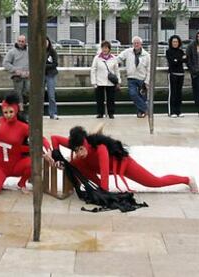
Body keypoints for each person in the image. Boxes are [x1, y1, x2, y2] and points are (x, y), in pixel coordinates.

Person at [50, 126, 197, 193]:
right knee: (75, 163)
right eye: (76, 150)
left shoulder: (100, 149)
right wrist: (58, 156)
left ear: (85, 144)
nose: (79, 152)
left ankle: (186, 179)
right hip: (93, 168)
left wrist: (104, 191)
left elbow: (105, 173)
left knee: (154, 182)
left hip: (121, 166)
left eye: (81, 149)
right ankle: (89, 187)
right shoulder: (76, 146)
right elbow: (54, 138)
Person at [0, 92, 50, 195]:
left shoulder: (23, 127)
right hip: (0, 166)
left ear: (16, 110)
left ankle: (21, 183)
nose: (8, 115)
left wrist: (48, 150)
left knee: (33, 163)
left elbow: (40, 138)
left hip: (16, 165)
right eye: (5, 112)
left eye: (11, 112)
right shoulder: (0, 122)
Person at [117, 36, 150, 118]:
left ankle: (140, 113)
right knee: (133, 94)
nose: (136, 44)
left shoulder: (146, 55)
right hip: (131, 78)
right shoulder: (128, 52)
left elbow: (149, 69)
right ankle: (145, 109)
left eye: (138, 43)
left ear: (141, 44)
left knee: (142, 97)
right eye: (134, 43)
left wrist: (147, 81)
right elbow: (119, 58)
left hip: (142, 79)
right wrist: (113, 63)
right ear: (132, 44)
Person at [91, 40, 121, 119]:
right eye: (103, 48)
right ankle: (100, 113)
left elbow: (117, 70)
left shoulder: (114, 58)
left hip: (110, 82)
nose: (105, 49)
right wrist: (94, 82)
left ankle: (111, 113)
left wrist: (118, 81)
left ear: (109, 49)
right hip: (99, 81)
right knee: (99, 99)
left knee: (111, 99)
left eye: (106, 48)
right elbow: (93, 70)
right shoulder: (97, 58)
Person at [3, 35, 29, 111]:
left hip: (28, 76)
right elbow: (5, 63)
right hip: (17, 76)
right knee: (18, 93)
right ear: (17, 41)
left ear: (25, 42)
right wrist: (15, 70)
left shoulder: (29, 51)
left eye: (22, 41)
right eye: (19, 41)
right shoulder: (12, 52)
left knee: (27, 91)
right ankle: (21, 110)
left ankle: (24, 106)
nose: (21, 43)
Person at [166, 35, 186, 118]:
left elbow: (185, 59)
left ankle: (178, 111)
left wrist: (178, 59)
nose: (175, 43)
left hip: (181, 74)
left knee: (179, 93)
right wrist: (179, 59)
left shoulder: (181, 51)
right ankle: (172, 111)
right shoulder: (168, 51)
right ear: (171, 42)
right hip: (172, 74)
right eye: (173, 42)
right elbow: (172, 62)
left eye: (176, 42)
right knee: (173, 93)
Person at [185, 31, 199, 115]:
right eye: (198, 36)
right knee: (196, 91)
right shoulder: (191, 46)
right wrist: (193, 69)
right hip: (195, 73)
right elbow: (188, 59)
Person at [45, 37, 59, 119]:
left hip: (51, 75)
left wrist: (44, 66)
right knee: (39, 95)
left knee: (51, 95)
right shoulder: (39, 52)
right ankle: (39, 113)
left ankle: (53, 113)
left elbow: (55, 63)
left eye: (46, 42)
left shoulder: (52, 52)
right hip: (41, 75)